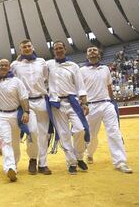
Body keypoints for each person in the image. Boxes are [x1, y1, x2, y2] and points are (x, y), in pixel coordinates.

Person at [80, 46, 132, 173]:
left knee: (114, 131)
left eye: (94, 50)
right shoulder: (81, 70)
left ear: (99, 54)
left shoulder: (105, 69)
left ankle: (120, 162)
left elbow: (109, 86)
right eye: (89, 50)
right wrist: (83, 104)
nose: (92, 51)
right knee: (92, 136)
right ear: (87, 55)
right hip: (90, 106)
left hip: (106, 104)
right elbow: (80, 90)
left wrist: (112, 101)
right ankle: (90, 153)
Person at [10, 39, 52, 175]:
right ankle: (33, 158)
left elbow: (45, 77)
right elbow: (11, 80)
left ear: (33, 47)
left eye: (29, 46)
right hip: (26, 103)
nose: (27, 48)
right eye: (24, 47)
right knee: (32, 131)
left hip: (42, 100)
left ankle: (43, 164)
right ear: (20, 50)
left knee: (44, 134)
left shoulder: (42, 62)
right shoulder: (15, 65)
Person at [47, 41, 89, 175]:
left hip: (72, 102)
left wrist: (84, 103)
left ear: (65, 49)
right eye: (56, 49)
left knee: (80, 130)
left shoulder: (73, 66)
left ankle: (79, 156)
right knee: (64, 134)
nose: (58, 50)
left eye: (60, 48)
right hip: (56, 104)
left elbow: (80, 86)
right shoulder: (48, 65)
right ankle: (71, 163)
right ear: (53, 51)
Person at [0, 59, 29, 182]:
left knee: (15, 143)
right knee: (6, 142)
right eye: (1, 65)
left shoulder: (17, 81)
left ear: (9, 68)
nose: (3, 67)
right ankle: (9, 167)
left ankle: (15, 165)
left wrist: (26, 112)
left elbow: (23, 98)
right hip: (1, 115)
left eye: (6, 65)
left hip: (15, 114)